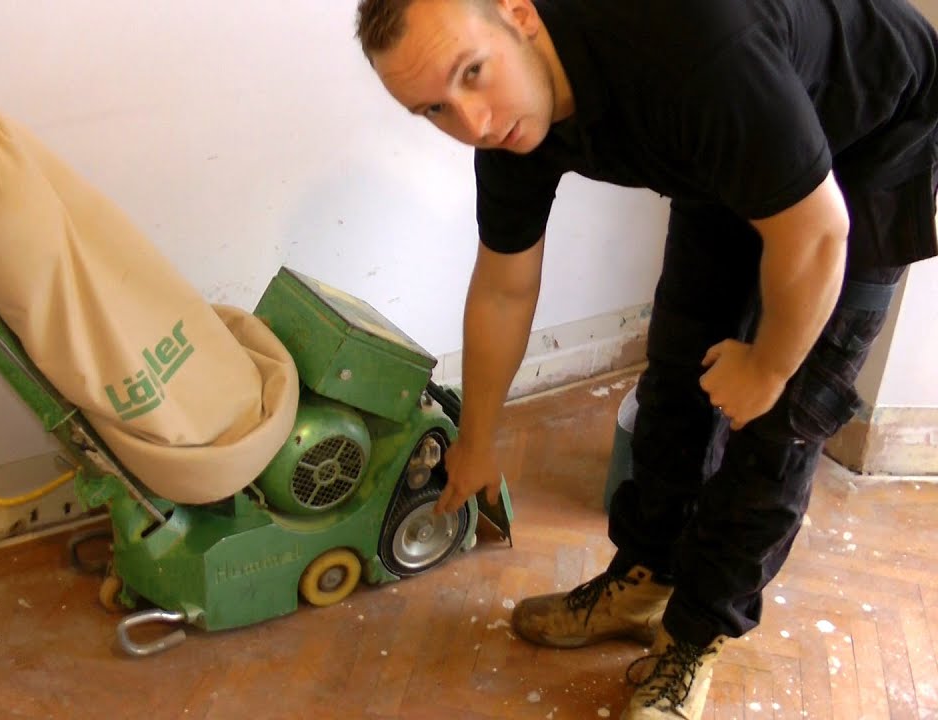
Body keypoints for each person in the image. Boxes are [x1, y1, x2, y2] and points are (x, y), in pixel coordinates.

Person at [355, 0, 938, 717]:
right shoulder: (508, 127)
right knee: (679, 375)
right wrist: (476, 439)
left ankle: (694, 637)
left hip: (872, 143)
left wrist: (770, 367)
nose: (472, 122)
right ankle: (647, 577)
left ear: (518, 14)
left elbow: (818, 233)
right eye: (435, 109)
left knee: (781, 421)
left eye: (474, 73)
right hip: (730, 147)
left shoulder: (690, 46)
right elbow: (504, 289)